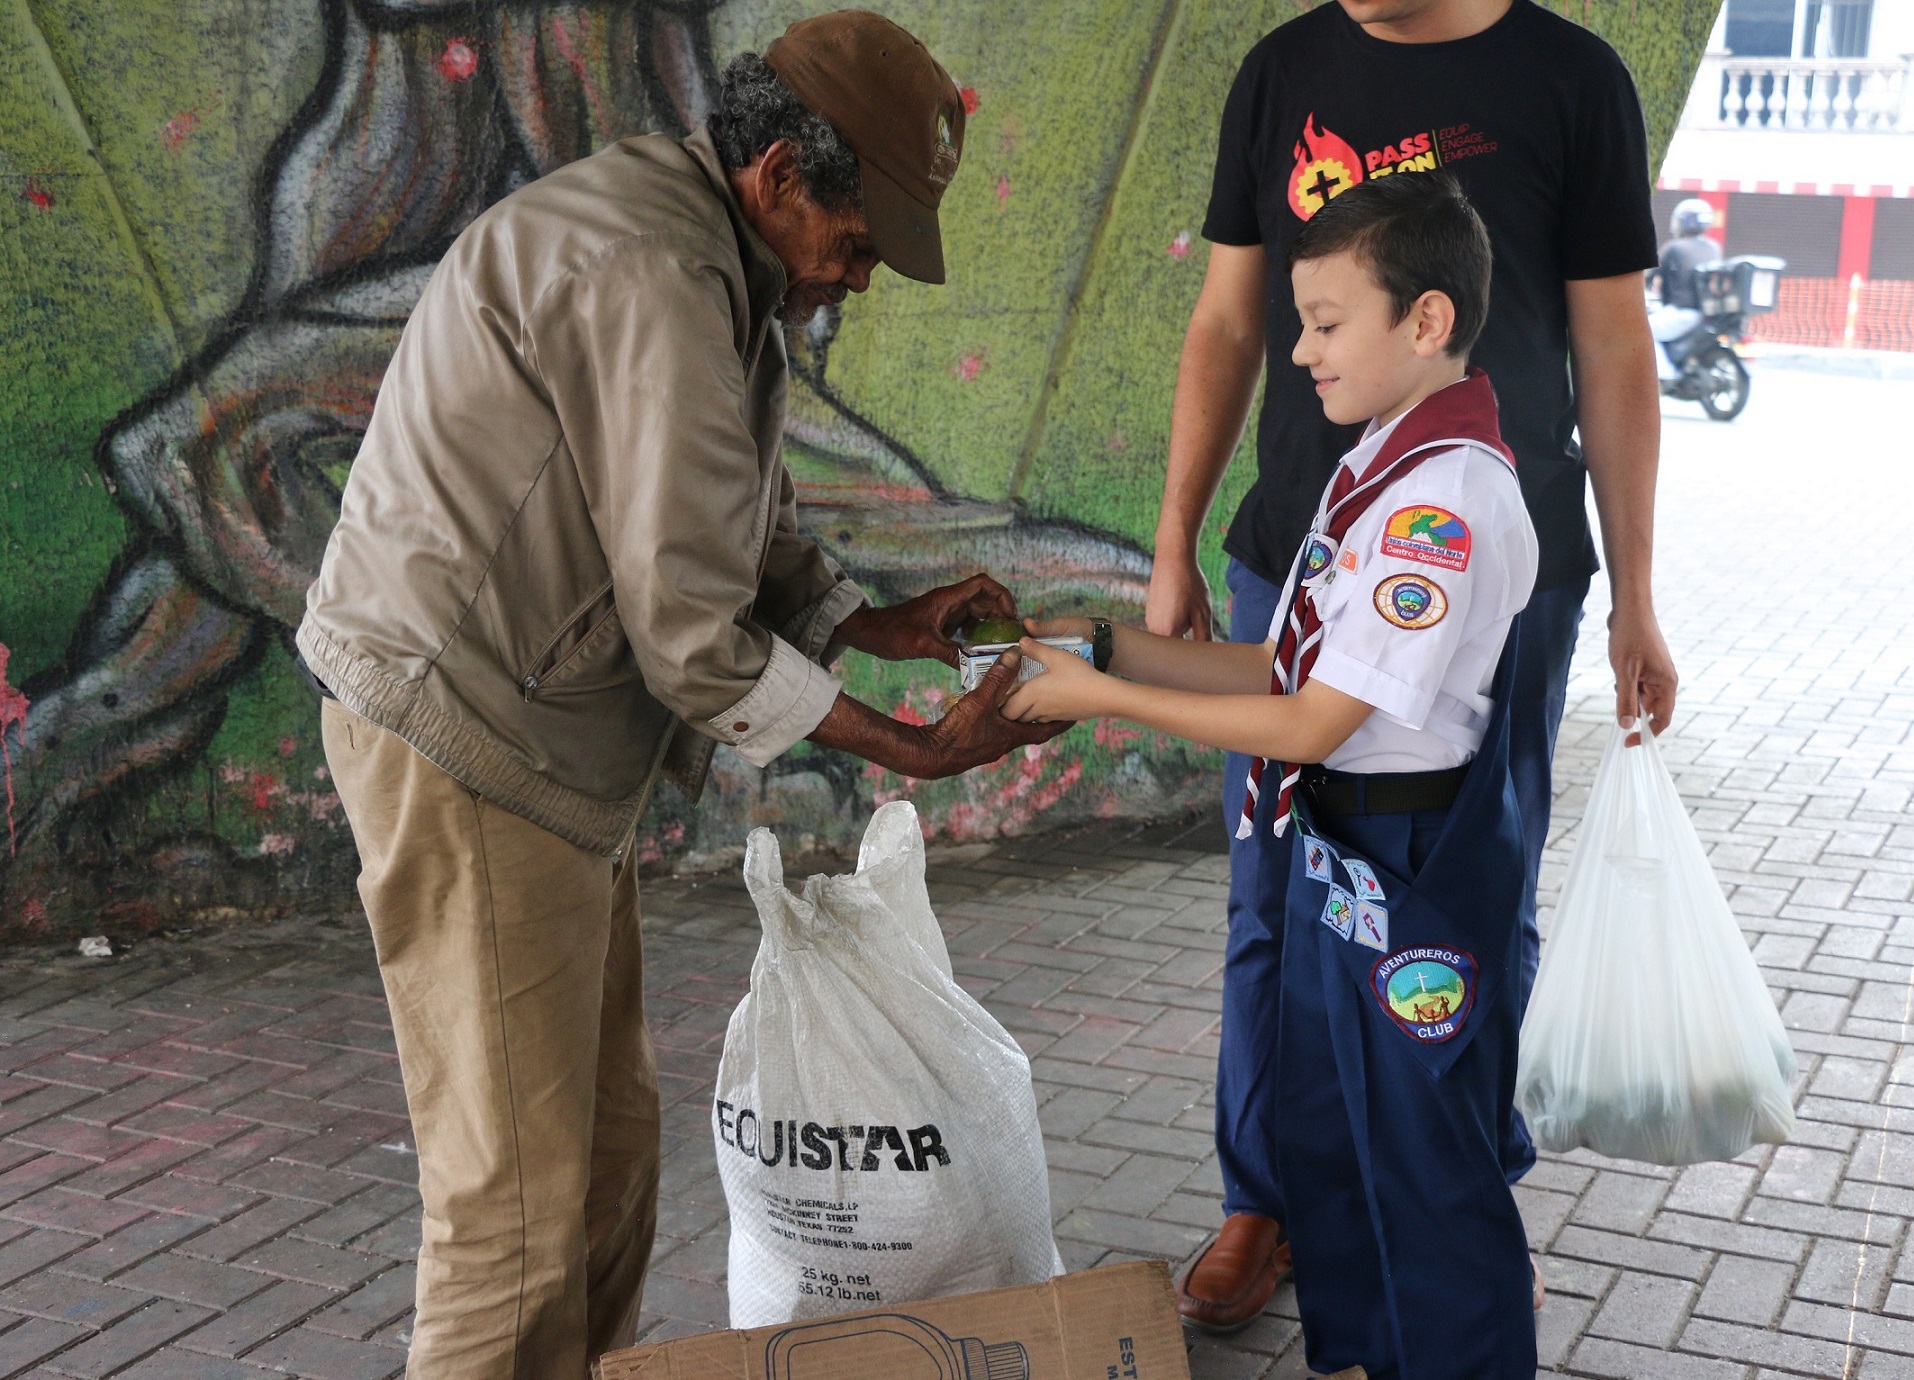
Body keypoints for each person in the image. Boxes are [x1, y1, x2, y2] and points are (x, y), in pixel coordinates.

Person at [295, 13, 1061, 1377]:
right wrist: (910, 748)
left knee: (604, 1166)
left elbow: (723, 524)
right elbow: (694, 639)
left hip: (533, 745)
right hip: (467, 738)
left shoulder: (713, 257)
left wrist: (881, 624)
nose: (863, 277)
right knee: (516, 1211)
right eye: (861, 239)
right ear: (777, 175)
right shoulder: (658, 270)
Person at [1141, 0, 1680, 1330]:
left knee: (1471, 904)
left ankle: (1456, 1196)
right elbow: (1225, 323)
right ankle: (1260, 1198)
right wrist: (1173, 544)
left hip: (1502, 584)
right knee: (1274, 896)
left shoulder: (1573, 82)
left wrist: (1637, 595)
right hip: (1300, 562)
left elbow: (1611, 345)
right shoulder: (1280, 76)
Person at [1005, 172, 1540, 1377]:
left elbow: (1306, 724)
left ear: (1429, 321)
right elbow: (1276, 661)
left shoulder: (1440, 507)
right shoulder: (1382, 470)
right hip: (1346, 856)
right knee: (1344, 1147)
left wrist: (1096, 700)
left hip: (1408, 871)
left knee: (1426, 1175)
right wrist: (1096, 642)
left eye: (1326, 321)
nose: (1297, 351)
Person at [1650, 197, 1724, 373]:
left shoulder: (1674, 247)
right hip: (1707, 315)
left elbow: (1651, 274)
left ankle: (1665, 375)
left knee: (1644, 332)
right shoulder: (1714, 247)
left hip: (1683, 311)